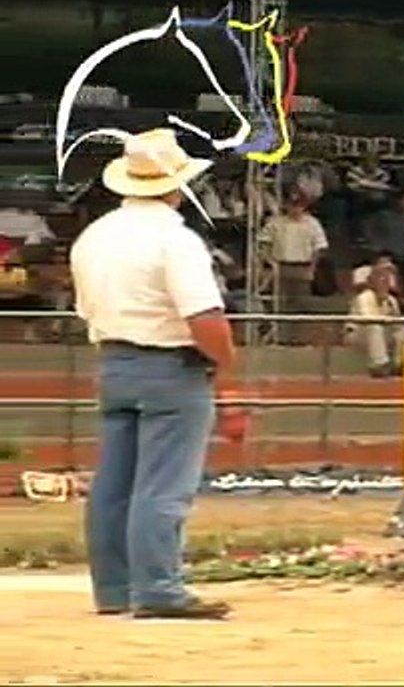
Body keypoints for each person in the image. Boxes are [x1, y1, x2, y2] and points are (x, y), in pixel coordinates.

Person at [69, 128, 236, 620]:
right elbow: (204, 317)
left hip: (115, 358)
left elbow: (85, 308)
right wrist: (225, 364)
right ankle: (159, 587)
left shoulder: (94, 236)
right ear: (175, 184)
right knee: (164, 484)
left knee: (114, 483)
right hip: (171, 365)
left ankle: (115, 588)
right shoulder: (175, 240)